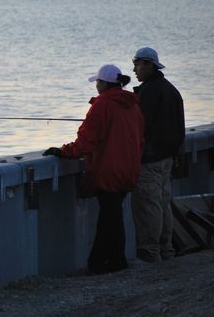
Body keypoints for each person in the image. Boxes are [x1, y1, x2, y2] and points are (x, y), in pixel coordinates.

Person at [43, 64, 144, 274]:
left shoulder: (102, 105)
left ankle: (110, 263)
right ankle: (104, 262)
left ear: (104, 83)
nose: (96, 85)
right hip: (128, 169)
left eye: (97, 81)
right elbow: (140, 138)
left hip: (109, 171)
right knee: (111, 216)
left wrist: (63, 151)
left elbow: (87, 141)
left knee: (110, 218)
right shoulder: (132, 105)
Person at [131, 47, 185, 263]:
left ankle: (150, 252)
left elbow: (140, 126)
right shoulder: (171, 90)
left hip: (149, 159)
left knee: (148, 206)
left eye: (137, 64)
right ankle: (166, 250)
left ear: (148, 64)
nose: (134, 69)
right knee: (163, 204)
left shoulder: (149, 92)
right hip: (167, 157)